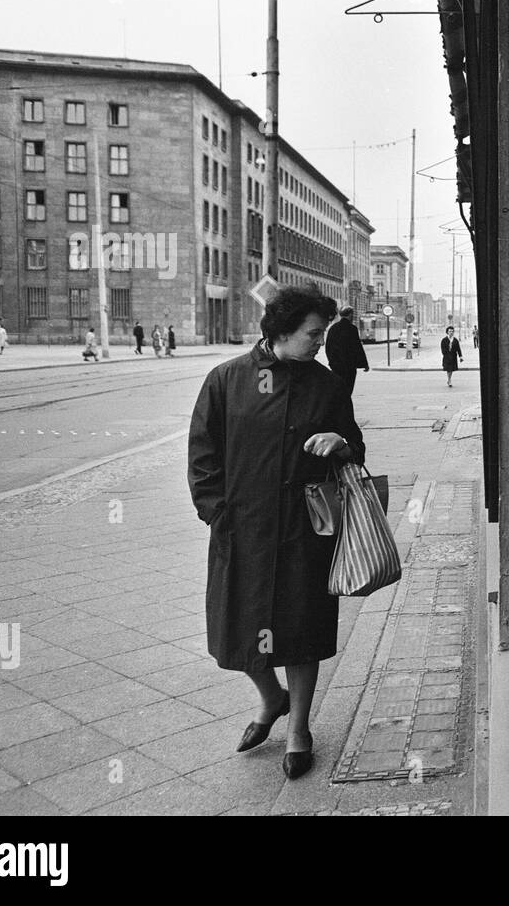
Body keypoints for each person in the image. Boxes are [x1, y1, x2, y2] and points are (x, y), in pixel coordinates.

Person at [188, 285, 366, 781]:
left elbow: (356, 444)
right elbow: (203, 459)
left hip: (303, 532)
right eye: (313, 333)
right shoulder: (225, 381)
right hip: (241, 532)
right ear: (281, 331)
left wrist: (342, 444)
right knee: (238, 635)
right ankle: (271, 699)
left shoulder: (326, 385)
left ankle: (298, 730)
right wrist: (217, 515)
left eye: (323, 333)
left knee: (301, 633)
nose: (320, 342)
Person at [324, 307, 370, 396]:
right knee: (348, 390)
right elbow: (357, 347)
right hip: (349, 366)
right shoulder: (352, 328)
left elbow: (328, 347)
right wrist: (364, 364)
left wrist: (332, 362)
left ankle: (340, 406)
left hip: (336, 366)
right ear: (350, 315)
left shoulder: (333, 328)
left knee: (338, 389)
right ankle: (345, 406)